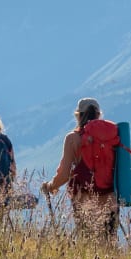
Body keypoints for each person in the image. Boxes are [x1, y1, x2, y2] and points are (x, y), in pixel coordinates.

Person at [41, 98, 119, 240]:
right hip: (110, 200)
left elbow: (64, 174)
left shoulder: (73, 138)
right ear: (99, 115)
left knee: (89, 246)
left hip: (84, 200)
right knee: (109, 247)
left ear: (78, 115)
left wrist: (50, 186)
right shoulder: (112, 136)